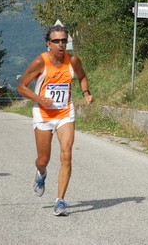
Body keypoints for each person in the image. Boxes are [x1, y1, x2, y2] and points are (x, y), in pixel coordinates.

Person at [17, 25, 94, 216]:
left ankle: (60, 201)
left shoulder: (73, 61)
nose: (61, 44)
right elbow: (21, 87)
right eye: (56, 41)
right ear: (48, 43)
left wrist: (86, 93)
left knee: (66, 154)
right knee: (43, 159)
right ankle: (41, 173)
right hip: (43, 115)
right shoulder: (40, 62)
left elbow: (83, 77)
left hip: (65, 113)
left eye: (64, 40)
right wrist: (40, 99)